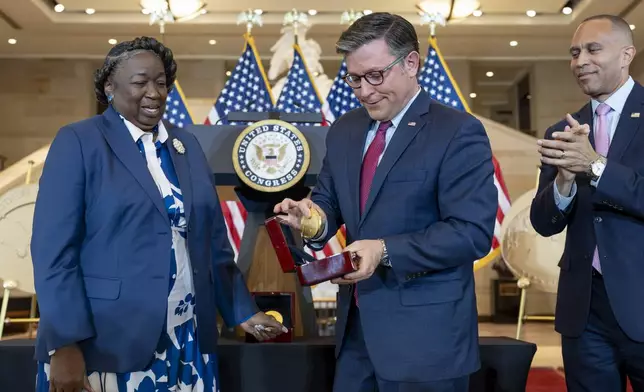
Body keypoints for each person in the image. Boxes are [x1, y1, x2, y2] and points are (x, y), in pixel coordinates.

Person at [31, 36, 287, 392]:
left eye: (162, 82)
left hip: (186, 338)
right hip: (107, 342)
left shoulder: (186, 145)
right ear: (110, 86)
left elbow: (212, 242)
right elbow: (54, 253)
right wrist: (64, 343)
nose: (154, 92)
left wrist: (243, 310)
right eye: (140, 82)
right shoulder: (79, 142)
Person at [274, 12, 498, 392]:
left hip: (426, 342)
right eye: (355, 78)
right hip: (355, 335)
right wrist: (310, 218)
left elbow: (471, 233)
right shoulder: (345, 129)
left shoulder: (457, 131)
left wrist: (383, 250)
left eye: (375, 75)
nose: (364, 91)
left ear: (411, 63)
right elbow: (329, 202)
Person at [531, 14, 644, 392]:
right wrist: (563, 183)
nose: (580, 61)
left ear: (627, 54)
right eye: (574, 52)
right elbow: (544, 222)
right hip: (584, 310)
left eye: (593, 49)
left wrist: (594, 165)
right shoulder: (562, 131)